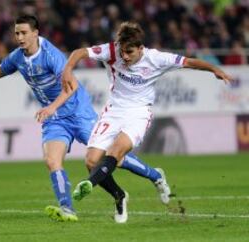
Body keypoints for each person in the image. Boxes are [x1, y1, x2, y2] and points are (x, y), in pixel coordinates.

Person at [0, 15, 170, 223]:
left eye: (24, 33)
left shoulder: (51, 55)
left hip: (78, 113)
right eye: (17, 33)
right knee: (52, 160)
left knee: (113, 157)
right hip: (55, 120)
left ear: (36, 33)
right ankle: (69, 208)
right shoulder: (18, 57)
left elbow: (71, 87)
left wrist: (51, 107)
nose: (19, 37)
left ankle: (155, 176)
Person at [37, 21, 232, 223]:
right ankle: (120, 195)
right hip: (113, 111)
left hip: (138, 113)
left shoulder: (156, 58)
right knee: (92, 161)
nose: (125, 57)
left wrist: (214, 69)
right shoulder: (112, 51)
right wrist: (68, 69)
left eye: (130, 52)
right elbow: (79, 52)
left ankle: (88, 184)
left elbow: (190, 62)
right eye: (123, 52)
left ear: (141, 48)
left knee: (116, 151)